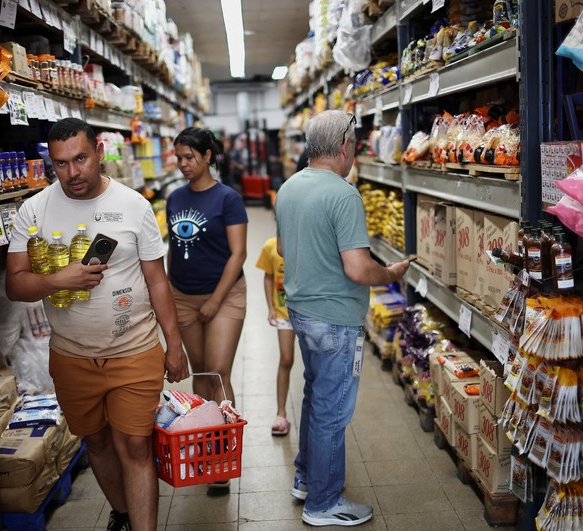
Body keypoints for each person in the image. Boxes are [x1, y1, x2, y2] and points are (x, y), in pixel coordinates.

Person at [5, 118, 189, 531]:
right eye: (61, 164)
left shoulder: (134, 205)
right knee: (97, 441)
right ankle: (124, 513)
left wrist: (174, 344)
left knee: (136, 445)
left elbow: (157, 280)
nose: (73, 172)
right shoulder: (33, 210)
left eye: (81, 159)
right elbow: (15, 285)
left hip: (134, 348)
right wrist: (58, 279)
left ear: (99, 151)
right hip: (71, 355)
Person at [275, 110, 411, 527]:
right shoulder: (343, 193)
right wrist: (388, 274)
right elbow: (357, 268)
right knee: (332, 412)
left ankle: (305, 478)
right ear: (342, 148)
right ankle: (323, 503)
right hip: (334, 319)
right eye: (355, 145)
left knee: (316, 399)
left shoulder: (289, 186)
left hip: (301, 312)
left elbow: (283, 249)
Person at [166, 126, 248, 422]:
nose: (183, 164)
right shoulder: (174, 198)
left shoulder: (228, 199)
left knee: (218, 371)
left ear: (207, 155)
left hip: (224, 296)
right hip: (183, 296)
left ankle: (227, 439)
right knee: (199, 371)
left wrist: (215, 300)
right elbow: (174, 246)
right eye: (179, 158)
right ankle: (201, 435)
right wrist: (167, 286)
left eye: (189, 157)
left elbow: (239, 254)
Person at [255, 233, 295, 437]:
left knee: (314, 364)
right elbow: (268, 277)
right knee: (286, 359)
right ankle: (281, 413)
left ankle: (316, 412)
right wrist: (271, 307)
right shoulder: (271, 246)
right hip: (283, 312)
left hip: (310, 311)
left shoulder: (308, 242)